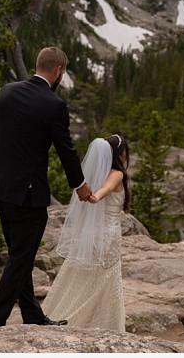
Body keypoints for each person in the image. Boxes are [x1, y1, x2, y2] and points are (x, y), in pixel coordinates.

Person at [0, 46, 94, 330]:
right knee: (20, 259)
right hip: (27, 196)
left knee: (21, 255)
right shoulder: (53, 104)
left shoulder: (6, 91)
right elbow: (65, 150)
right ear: (58, 71)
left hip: (0, 189)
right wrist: (80, 184)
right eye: (62, 73)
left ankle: (32, 315)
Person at [41, 134, 131, 332]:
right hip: (108, 232)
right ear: (120, 153)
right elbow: (106, 190)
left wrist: (93, 196)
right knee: (105, 277)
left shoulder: (98, 172)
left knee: (87, 276)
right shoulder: (117, 173)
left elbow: (102, 189)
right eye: (125, 150)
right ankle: (104, 325)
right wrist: (96, 197)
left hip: (95, 232)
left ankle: (67, 315)